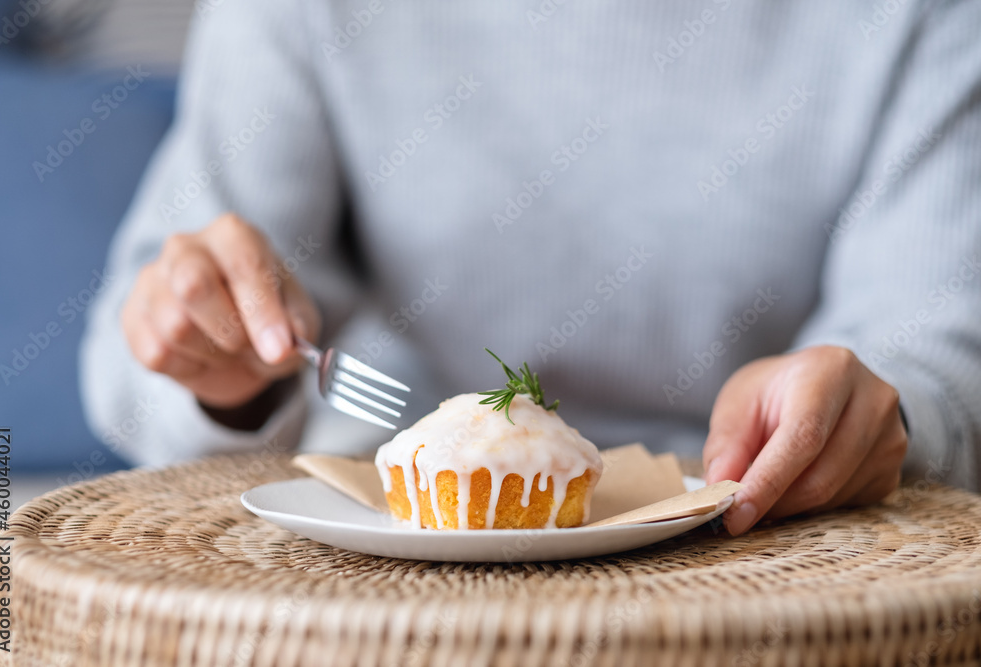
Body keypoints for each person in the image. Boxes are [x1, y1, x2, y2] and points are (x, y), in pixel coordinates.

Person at [80, 0, 981, 536]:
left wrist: (884, 414)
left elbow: (940, 351)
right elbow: (132, 356)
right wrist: (222, 373)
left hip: (751, 532)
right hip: (380, 532)